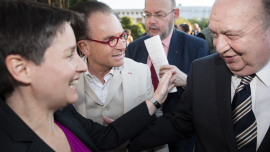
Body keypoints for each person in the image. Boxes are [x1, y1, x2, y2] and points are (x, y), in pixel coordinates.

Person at [0, 0, 175, 151]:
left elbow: (108, 137)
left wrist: (155, 98)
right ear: (21, 69)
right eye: (69, 55)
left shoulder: (63, 114)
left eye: (122, 36)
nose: (80, 66)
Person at [124, 0, 270, 151]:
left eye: (232, 35)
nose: (219, 47)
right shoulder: (203, 69)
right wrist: (120, 135)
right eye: (214, 34)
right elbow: (180, 123)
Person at [71, 1, 168, 151]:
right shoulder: (66, 81)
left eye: (122, 35)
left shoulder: (141, 72)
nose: (122, 45)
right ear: (85, 47)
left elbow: (156, 125)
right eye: (110, 40)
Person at [125, 0, 208, 151]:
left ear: (175, 14)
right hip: (138, 135)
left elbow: (208, 95)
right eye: (147, 14)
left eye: (159, 15)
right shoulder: (133, 48)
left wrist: (188, 81)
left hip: (178, 139)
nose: (152, 21)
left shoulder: (196, 46)